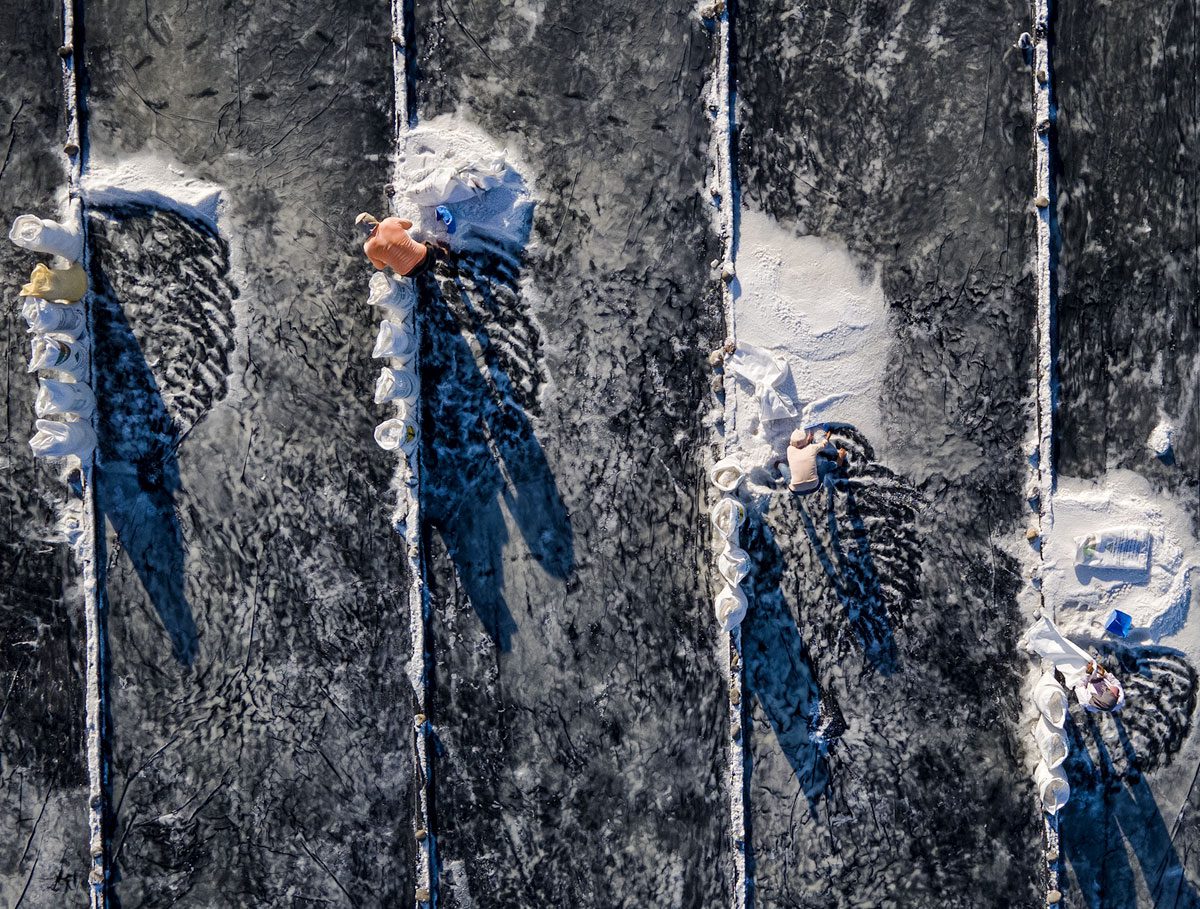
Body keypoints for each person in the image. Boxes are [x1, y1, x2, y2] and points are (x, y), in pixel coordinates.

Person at [356, 212, 446, 278]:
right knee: (426, 243)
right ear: (373, 219)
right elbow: (409, 224)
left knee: (398, 266)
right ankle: (445, 254)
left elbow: (380, 266)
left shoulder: (368, 247)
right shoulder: (388, 222)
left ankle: (424, 277)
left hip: (411, 274)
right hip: (428, 258)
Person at [784, 427, 846, 494]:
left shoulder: (789, 450)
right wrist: (827, 436)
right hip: (814, 486)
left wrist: (807, 442)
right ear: (805, 441)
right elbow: (824, 444)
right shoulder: (812, 448)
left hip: (795, 490)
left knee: (782, 466)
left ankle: (777, 464)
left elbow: (799, 446)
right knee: (823, 465)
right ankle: (838, 462)